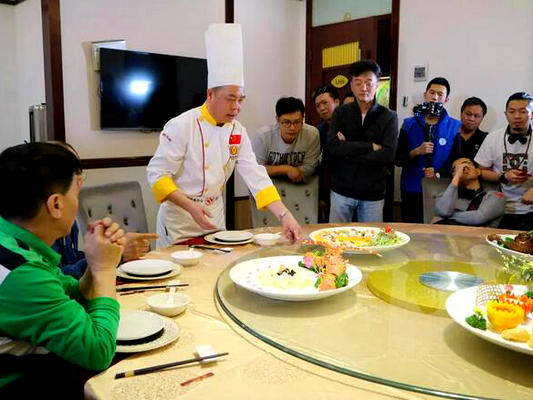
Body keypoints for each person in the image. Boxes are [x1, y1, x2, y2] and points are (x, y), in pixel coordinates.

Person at [147, 24, 302, 246]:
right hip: (179, 220)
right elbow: (157, 175)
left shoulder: (237, 131)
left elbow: (255, 175)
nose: (236, 107)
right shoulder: (181, 125)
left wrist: (285, 216)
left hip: (214, 217)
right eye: (230, 99)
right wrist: (192, 207)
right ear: (211, 94)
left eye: (241, 99)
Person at [0, 143, 124, 397]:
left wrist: (93, 261)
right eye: (75, 194)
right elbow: (97, 351)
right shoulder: (22, 273)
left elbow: (68, 293)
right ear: (55, 204)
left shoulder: (13, 243)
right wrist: (105, 269)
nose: (77, 204)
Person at [48, 141, 158, 279]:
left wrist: (109, 249)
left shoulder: (64, 215)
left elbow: (71, 260)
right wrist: (112, 255)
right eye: (74, 173)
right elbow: (59, 279)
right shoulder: (40, 228)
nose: (80, 181)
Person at [327, 60, 398, 223]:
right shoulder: (340, 113)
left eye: (368, 83)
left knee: (370, 242)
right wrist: (370, 147)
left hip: (372, 193)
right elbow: (333, 147)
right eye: (358, 83)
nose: (363, 88)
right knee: (336, 240)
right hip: (341, 190)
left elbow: (388, 155)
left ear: (377, 84)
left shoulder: (389, 116)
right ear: (351, 85)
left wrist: (348, 151)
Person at [395, 77, 461, 223]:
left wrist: (439, 173)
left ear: (446, 100)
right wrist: (416, 151)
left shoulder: (455, 126)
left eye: (440, 94)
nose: (435, 97)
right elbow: (398, 159)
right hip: (412, 187)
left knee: (437, 237)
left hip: (442, 190)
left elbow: (458, 160)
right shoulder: (408, 124)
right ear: (425, 95)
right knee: (411, 230)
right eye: (431, 92)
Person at [475, 92, 533, 230]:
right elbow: (480, 171)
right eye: (512, 111)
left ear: (532, 114)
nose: (517, 116)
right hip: (498, 208)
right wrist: (503, 176)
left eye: (523, 111)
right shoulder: (492, 138)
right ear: (506, 114)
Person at [252, 97, 320, 183]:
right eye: (287, 122)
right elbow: (255, 168)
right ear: (277, 120)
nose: (292, 128)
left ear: (303, 119)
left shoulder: (312, 134)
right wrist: (286, 169)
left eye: (297, 122)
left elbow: (309, 167)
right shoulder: (263, 136)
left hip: (299, 183)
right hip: (267, 182)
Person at [434, 158, 505, 227]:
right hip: (448, 237)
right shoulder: (445, 196)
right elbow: (444, 212)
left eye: (465, 165)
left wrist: (448, 217)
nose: (461, 170)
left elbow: (479, 218)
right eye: (455, 169)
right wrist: (457, 177)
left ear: (477, 171)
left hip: (478, 237)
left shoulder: (494, 196)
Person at [312, 86, 340, 222]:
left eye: (325, 103)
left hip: (352, 187)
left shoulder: (350, 125)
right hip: (329, 188)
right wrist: (321, 196)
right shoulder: (318, 131)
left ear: (337, 102)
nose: (322, 108)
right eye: (318, 106)